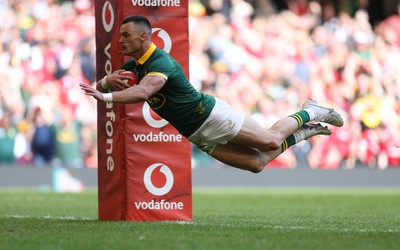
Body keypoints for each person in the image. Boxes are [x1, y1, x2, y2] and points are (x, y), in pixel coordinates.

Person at [79, 15, 344, 173]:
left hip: (210, 115)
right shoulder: (132, 66)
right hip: (196, 133)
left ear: (144, 36)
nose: (120, 40)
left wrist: (106, 97)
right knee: (257, 164)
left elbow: (144, 91)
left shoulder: (161, 62)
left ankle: (311, 110)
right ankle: (304, 132)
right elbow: (101, 86)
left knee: (271, 143)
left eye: (125, 35)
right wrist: (105, 81)